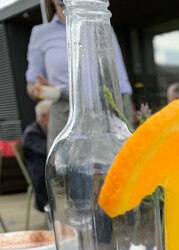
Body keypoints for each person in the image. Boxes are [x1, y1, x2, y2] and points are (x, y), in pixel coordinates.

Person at [25, 0, 133, 149]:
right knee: (67, 168)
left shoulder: (100, 25)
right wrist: (39, 89)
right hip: (64, 116)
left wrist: (126, 119)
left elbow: (120, 79)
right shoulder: (41, 33)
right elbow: (32, 84)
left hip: (104, 115)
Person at [22, 100, 51, 212]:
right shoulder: (32, 134)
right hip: (42, 181)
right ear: (44, 117)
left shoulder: (45, 130)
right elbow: (49, 152)